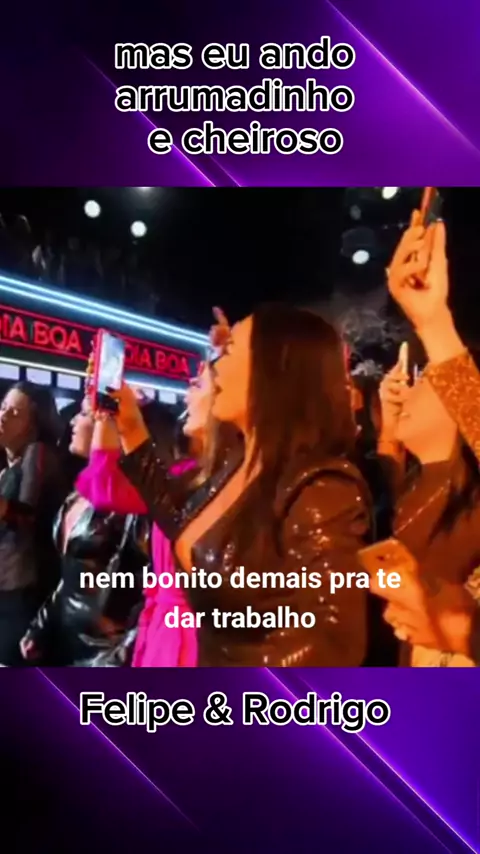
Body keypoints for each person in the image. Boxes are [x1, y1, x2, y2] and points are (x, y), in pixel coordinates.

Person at [111, 304, 372, 667]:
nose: (216, 367)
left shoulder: (320, 488)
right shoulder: (239, 465)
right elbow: (181, 521)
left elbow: (332, 641)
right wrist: (129, 425)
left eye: (230, 350)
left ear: (274, 370)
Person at [77, 363, 239, 666]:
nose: (188, 387)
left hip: (198, 643)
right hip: (162, 630)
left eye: (199, 384)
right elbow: (108, 486)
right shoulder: (186, 474)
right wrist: (107, 416)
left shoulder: (241, 483)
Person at [375, 211, 480, 664]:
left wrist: (435, 323)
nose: (409, 386)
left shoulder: (471, 500)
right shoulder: (418, 485)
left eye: (427, 377)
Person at [20, 395, 147, 666]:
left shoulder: (133, 503)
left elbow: (152, 599)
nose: (73, 422)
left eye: (85, 414)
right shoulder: (78, 491)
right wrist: (41, 625)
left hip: (105, 653)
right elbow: (70, 574)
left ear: (113, 429)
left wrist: (117, 658)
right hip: (65, 644)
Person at [0, 382, 66, 665]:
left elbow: (29, 516)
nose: (3, 416)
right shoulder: (9, 467)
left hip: (20, 595)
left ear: (34, 425)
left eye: (15, 412)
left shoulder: (37, 453)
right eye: (3, 407)